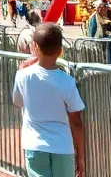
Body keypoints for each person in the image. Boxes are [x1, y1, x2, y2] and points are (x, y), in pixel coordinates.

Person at [12, 23, 85, 177]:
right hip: (62, 146)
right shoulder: (67, 81)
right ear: (60, 51)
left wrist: (20, 70)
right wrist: (81, 156)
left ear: (34, 46)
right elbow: (76, 122)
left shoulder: (23, 75)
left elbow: (17, 101)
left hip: (35, 144)